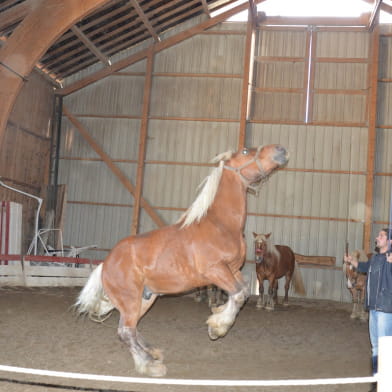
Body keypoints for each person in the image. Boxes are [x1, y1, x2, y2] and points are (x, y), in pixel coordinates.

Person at [344, 228, 392, 389]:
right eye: (378, 235)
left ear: (390, 241)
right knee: (376, 347)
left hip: (385, 309)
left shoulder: (390, 258)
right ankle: (377, 382)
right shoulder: (376, 258)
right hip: (373, 309)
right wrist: (351, 261)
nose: (377, 238)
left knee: (385, 348)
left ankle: (384, 383)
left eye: (381, 236)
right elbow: (363, 266)